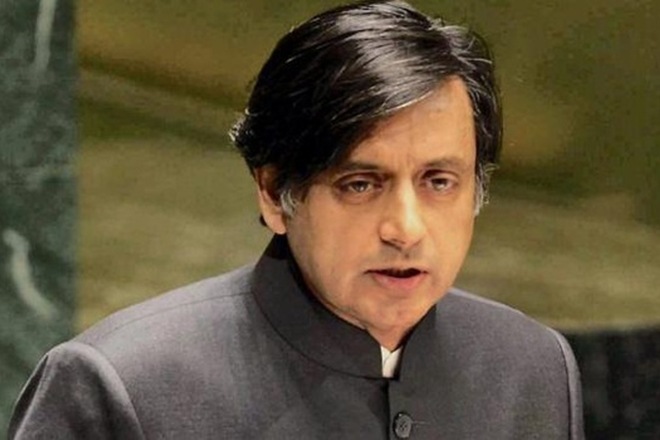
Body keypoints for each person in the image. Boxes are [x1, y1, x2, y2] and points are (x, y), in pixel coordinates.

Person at [9, 1, 584, 438]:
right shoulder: (119, 385)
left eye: (439, 181)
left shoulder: (534, 367)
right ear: (273, 193)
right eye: (360, 184)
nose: (406, 229)